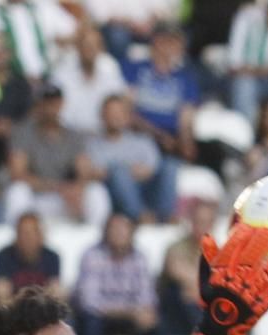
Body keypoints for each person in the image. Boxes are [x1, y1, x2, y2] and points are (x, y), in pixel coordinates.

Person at [7, 84, 110, 230]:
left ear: (62, 104)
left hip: (65, 199)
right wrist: (57, 187)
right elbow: (17, 174)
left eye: (55, 102)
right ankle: (19, 236)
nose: (51, 107)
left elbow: (84, 172)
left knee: (96, 191)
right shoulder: (24, 133)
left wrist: (77, 189)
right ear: (39, 104)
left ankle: (97, 239)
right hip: (38, 199)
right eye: (47, 102)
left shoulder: (73, 135)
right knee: (17, 191)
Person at [87, 93, 178, 225]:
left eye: (119, 113)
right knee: (119, 173)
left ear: (126, 117)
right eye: (111, 113)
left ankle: (166, 216)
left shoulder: (142, 141)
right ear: (102, 116)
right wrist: (125, 171)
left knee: (170, 164)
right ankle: (140, 217)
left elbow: (153, 169)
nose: (115, 117)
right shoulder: (93, 145)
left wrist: (126, 172)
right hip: (115, 197)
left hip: (147, 189)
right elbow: (95, 172)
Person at [73, 213, 158, 335]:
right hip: (102, 317)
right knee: (90, 322)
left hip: (130, 316)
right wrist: (128, 311)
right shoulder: (92, 256)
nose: (119, 233)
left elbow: (146, 298)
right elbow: (89, 302)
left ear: (132, 232)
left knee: (156, 325)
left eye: (123, 229)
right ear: (105, 232)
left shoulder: (139, 258)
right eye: (114, 229)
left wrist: (144, 312)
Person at [124, 23, 199, 163]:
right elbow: (127, 111)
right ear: (156, 42)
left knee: (172, 165)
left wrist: (185, 142)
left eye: (177, 43)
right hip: (138, 135)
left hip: (171, 142)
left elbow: (186, 117)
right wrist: (158, 135)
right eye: (168, 41)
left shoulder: (185, 78)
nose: (173, 47)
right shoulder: (135, 70)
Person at [158, 199, 218, 335]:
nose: (201, 227)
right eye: (198, 221)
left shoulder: (218, 252)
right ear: (191, 222)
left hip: (199, 303)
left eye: (206, 222)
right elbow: (176, 271)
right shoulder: (175, 247)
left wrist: (198, 288)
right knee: (180, 294)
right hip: (175, 312)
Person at [57, 21, 127, 136]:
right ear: (78, 47)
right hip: (70, 136)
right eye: (86, 45)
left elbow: (119, 106)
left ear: (101, 48)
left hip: (103, 136)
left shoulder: (110, 70)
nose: (90, 50)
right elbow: (59, 113)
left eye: (94, 45)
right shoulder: (62, 73)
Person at [0, 212, 63, 301]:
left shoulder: (52, 257)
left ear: (41, 235)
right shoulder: (3, 256)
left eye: (31, 233)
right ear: (16, 235)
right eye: (23, 233)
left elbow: (54, 288)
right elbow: (0, 292)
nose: (27, 238)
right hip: (11, 309)